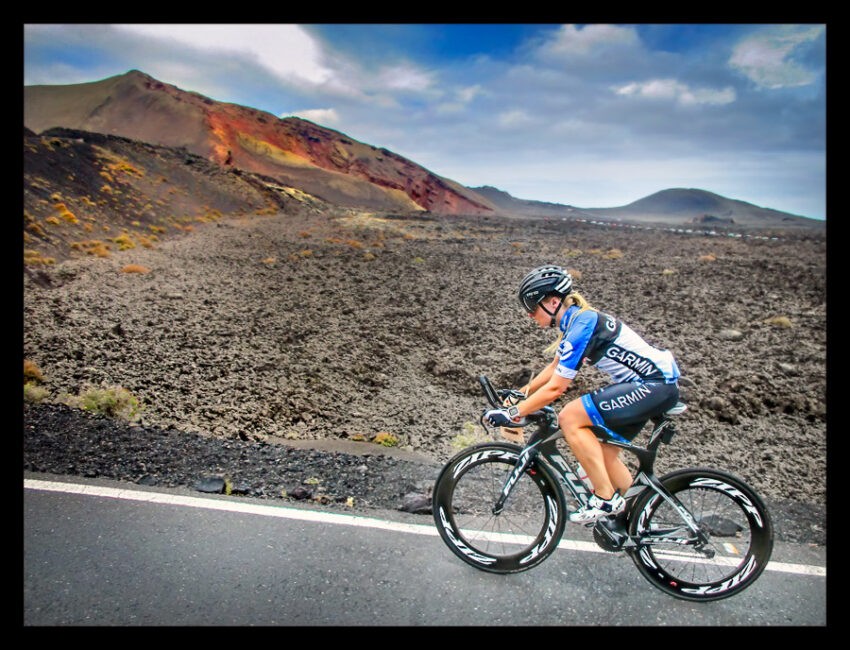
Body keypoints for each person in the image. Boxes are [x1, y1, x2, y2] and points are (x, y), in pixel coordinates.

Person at [484, 265, 681, 523]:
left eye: (532, 307)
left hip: (654, 385)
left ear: (553, 302)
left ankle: (606, 499)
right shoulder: (577, 321)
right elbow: (555, 368)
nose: (530, 315)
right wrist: (522, 394)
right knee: (604, 457)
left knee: (570, 417)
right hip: (654, 386)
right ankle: (632, 523)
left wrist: (513, 413)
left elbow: (556, 388)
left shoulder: (582, 326)